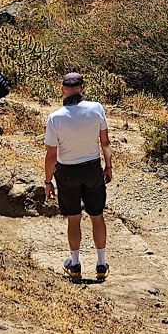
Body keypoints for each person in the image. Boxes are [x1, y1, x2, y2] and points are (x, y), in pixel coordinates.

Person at [44, 72, 112, 280]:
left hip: (67, 172)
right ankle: (101, 264)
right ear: (82, 88)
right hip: (92, 168)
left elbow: (51, 155)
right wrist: (108, 166)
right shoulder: (96, 109)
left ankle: (75, 264)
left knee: (74, 218)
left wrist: (48, 181)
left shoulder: (55, 117)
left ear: (63, 89)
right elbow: (105, 143)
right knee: (97, 215)